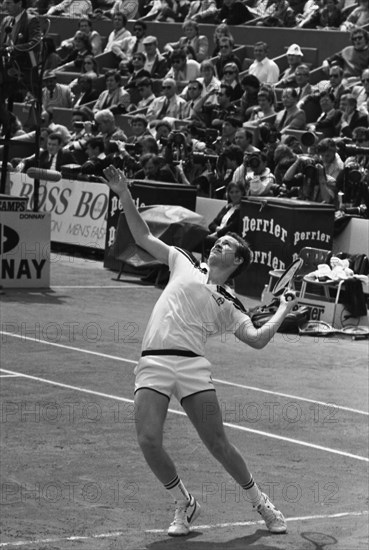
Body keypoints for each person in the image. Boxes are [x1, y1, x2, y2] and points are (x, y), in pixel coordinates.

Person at [103, 163, 295, 537]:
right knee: (147, 440)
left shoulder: (230, 303)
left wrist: (285, 309)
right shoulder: (183, 261)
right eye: (220, 241)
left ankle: (261, 502)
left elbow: (256, 339)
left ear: (237, 261)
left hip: (192, 369)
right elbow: (142, 237)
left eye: (227, 245)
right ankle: (185, 502)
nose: (219, 243)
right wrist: (124, 194)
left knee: (218, 444)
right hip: (154, 361)